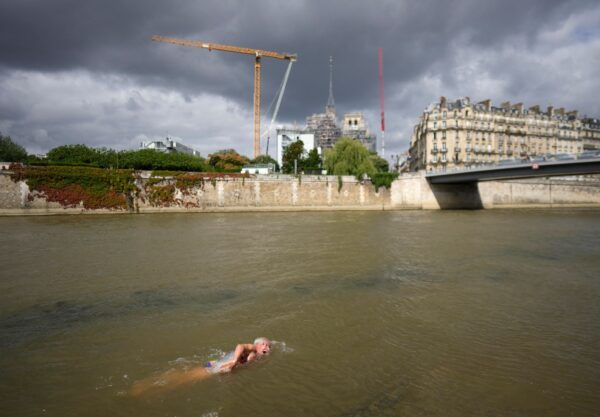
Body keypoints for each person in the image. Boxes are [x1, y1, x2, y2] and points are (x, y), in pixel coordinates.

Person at [130, 337, 271, 396]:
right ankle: (147, 389)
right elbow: (240, 345)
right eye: (264, 344)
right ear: (257, 344)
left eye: (268, 345)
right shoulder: (252, 349)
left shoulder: (256, 354)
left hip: (215, 361)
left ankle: (150, 385)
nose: (266, 347)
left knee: (189, 373)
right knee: (187, 379)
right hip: (219, 364)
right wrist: (234, 362)